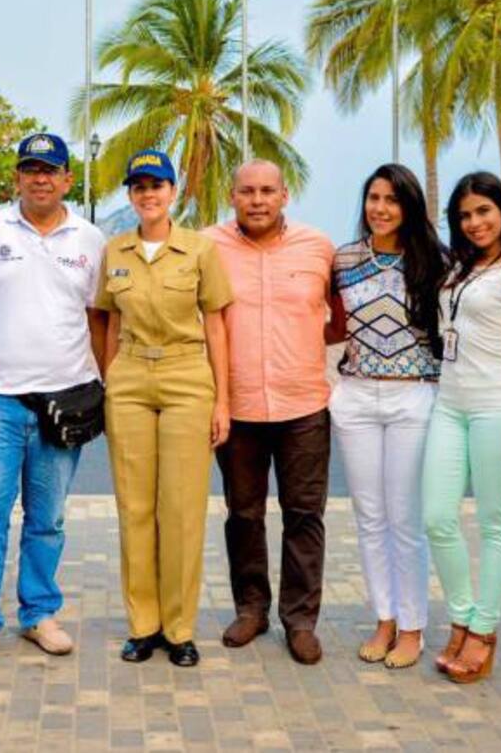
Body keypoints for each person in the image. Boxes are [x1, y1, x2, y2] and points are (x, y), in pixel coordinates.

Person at [0, 132, 106, 670]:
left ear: (66, 179)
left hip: (65, 401)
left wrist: (102, 384)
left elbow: (100, 318)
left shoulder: (91, 239)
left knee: (48, 519)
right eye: (30, 169)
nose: (40, 178)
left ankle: (39, 613)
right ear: (17, 178)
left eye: (50, 170)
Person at [96, 150, 232, 668]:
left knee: (180, 509)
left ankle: (179, 629)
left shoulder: (198, 249)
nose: (148, 194)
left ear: (174, 192)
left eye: (157, 185)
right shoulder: (116, 251)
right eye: (138, 186)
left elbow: (216, 325)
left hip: (185, 377)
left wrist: (223, 399)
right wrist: (110, 381)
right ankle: (143, 626)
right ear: (130, 195)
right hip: (130, 378)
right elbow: (107, 323)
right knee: (134, 508)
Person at [204, 160, 335, 663]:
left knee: (304, 515)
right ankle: (252, 609)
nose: (257, 200)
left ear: (285, 195)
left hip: (303, 404)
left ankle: (300, 620)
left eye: (267, 191)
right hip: (235, 408)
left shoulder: (318, 247)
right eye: (246, 191)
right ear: (231, 196)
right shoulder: (208, 246)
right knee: (243, 513)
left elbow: (338, 318)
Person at [422, 171, 501, 684]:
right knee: (436, 516)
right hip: (448, 404)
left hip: (499, 405)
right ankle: (462, 613)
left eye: (484, 211)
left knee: (495, 522)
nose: (474, 223)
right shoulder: (457, 269)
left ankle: (484, 630)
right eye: (465, 215)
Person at [327, 164, 447, 669]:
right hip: (355, 395)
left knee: (404, 518)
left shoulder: (438, 263)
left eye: (392, 200)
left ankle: (413, 626)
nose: (380, 208)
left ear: (410, 207)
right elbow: (330, 324)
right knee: (369, 516)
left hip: (412, 397)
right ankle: (384, 619)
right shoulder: (344, 257)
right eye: (373, 197)